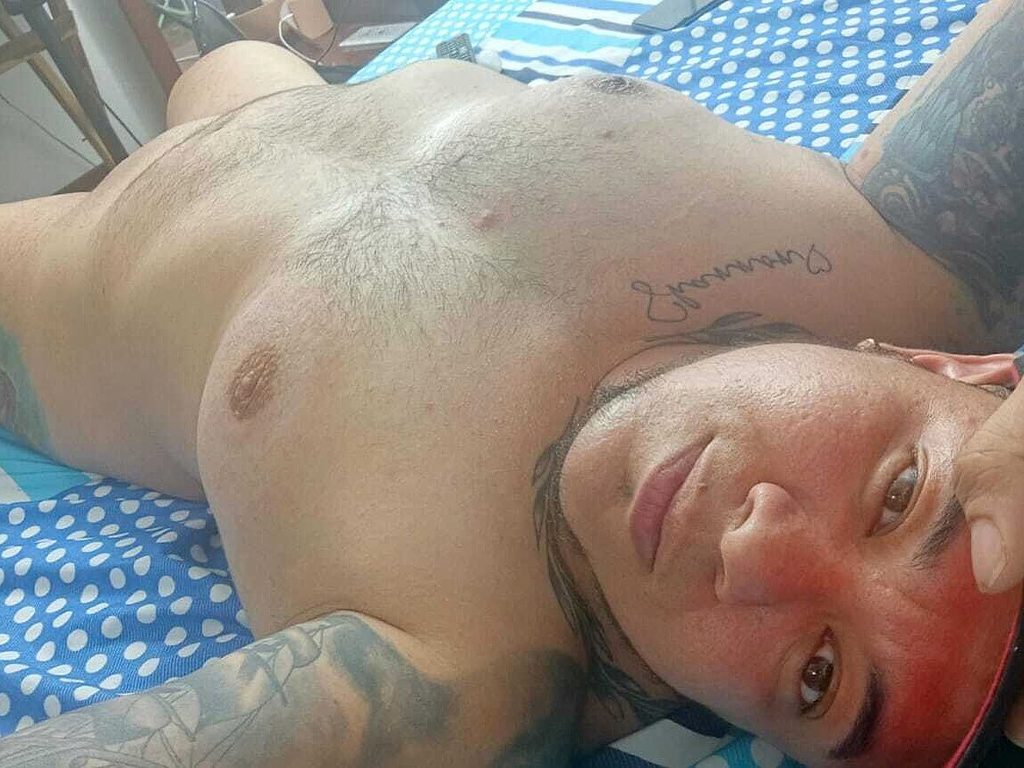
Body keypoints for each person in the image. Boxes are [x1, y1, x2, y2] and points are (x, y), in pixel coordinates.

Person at [0, 0, 1020, 764]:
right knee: (227, 63)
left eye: (816, 677)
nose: (758, 549)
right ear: (950, 367)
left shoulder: (461, 674)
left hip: (68, 264)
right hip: (299, 102)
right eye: (900, 494)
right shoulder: (920, 256)